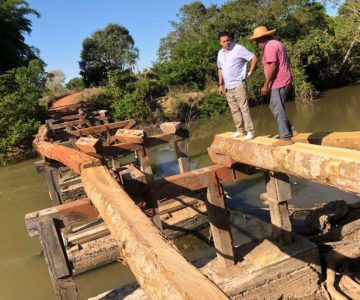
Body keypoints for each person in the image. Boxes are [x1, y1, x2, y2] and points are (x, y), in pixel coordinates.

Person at [249, 26, 297, 146]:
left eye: (257, 41)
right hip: (283, 80)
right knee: (273, 106)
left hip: (278, 82)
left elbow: (273, 66)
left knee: (277, 108)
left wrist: (265, 85)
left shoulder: (269, 46)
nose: (257, 44)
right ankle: (291, 129)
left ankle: (285, 138)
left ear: (263, 38)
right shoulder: (276, 43)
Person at [217, 31, 258, 140]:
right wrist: (220, 84)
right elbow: (220, 68)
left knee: (244, 108)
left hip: (239, 84)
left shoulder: (238, 48)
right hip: (227, 86)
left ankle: (250, 131)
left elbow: (254, 57)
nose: (227, 43)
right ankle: (240, 130)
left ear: (230, 39)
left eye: (228, 40)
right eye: (224, 41)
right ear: (220, 42)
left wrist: (250, 72)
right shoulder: (220, 53)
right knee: (234, 110)